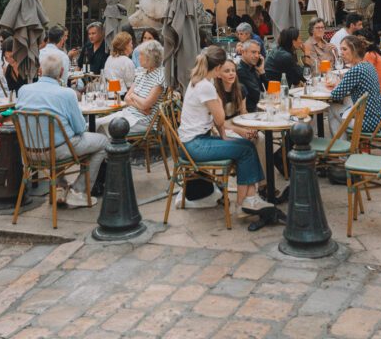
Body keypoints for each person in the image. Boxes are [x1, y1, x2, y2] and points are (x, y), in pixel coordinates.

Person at [178, 46, 271, 216]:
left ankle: (250, 199)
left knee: (246, 146)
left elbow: (217, 122)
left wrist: (224, 137)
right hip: (195, 145)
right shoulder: (206, 86)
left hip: (193, 141)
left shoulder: (197, 80)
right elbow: (219, 119)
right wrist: (218, 103)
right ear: (218, 68)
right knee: (246, 150)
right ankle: (244, 203)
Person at [15, 51, 107, 207]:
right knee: (103, 141)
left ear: (40, 71)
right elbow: (79, 129)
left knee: (58, 135)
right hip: (57, 151)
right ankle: (79, 191)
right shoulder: (67, 94)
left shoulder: (23, 90)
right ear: (62, 72)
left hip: (29, 153)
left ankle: (61, 186)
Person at [96, 39, 165, 136]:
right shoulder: (141, 72)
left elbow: (145, 104)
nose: (138, 58)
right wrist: (140, 107)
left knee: (103, 129)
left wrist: (133, 96)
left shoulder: (160, 76)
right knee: (95, 124)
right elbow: (126, 98)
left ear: (150, 57)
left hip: (143, 122)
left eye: (141, 55)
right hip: (128, 113)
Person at [327, 36, 381, 135]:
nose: (341, 53)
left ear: (354, 50)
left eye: (344, 49)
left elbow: (335, 95)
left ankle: (340, 145)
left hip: (368, 123)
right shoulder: (368, 65)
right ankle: (344, 144)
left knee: (331, 107)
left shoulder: (356, 70)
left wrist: (334, 86)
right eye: (341, 49)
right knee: (347, 102)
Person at [236, 39, 266, 112]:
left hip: (258, 108)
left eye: (258, 53)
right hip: (251, 112)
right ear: (243, 52)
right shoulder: (241, 71)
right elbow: (257, 96)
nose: (256, 56)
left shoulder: (252, 68)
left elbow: (267, 89)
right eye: (253, 52)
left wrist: (262, 72)